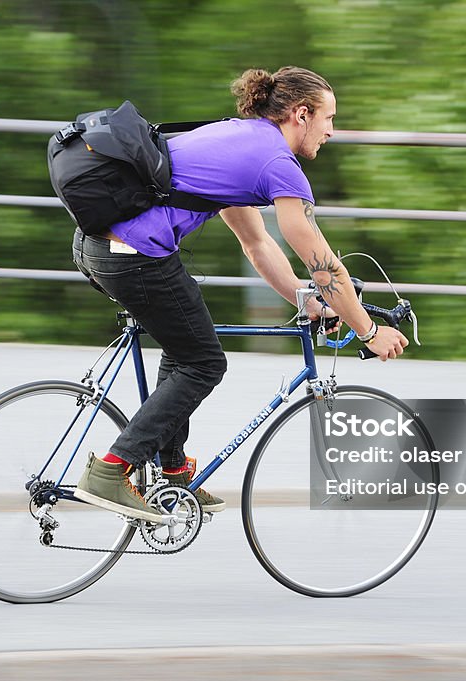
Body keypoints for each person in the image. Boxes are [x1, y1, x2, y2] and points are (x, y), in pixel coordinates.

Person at [71, 66, 408, 522]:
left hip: (99, 245)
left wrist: (303, 299)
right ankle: (111, 471)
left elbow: (257, 242)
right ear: (301, 114)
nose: (332, 130)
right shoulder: (278, 165)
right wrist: (368, 331)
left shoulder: (240, 137)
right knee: (204, 362)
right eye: (329, 118)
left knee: (186, 343)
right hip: (133, 255)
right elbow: (324, 264)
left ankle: (171, 474)